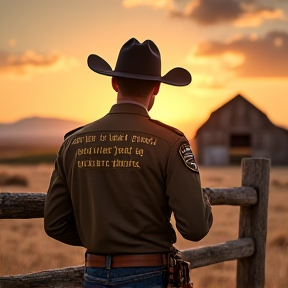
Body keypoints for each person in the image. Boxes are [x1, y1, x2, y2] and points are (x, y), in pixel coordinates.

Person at [44, 38, 213, 288]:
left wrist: (103, 236)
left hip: (94, 275)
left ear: (114, 82)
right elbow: (195, 228)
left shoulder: (73, 143)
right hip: (150, 275)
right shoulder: (170, 142)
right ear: (156, 87)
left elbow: (55, 223)